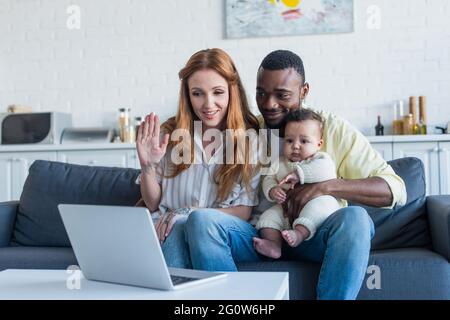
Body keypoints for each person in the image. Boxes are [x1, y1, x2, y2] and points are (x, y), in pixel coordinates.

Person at [187, 49, 407, 300]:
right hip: (261, 235)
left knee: (356, 218)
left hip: (315, 234)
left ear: (304, 92)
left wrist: (326, 187)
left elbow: (395, 189)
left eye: (282, 95)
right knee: (203, 222)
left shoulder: (331, 128)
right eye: (261, 93)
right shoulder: (249, 130)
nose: (269, 104)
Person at [135, 48, 262, 270]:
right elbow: (153, 202)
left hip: (227, 232)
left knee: (194, 223)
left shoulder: (250, 139)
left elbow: (243, 211)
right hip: (169, 231)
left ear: (232, 91)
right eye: (197, 93)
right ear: (187, 95)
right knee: (177, 232)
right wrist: (148, 167)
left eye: (218, 92)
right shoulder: (170, 134)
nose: (208, 104)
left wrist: (188, 213)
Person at [254, 108, 342, 259]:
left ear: (318, 144)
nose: (295, 146)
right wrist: (272, 190)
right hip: (286, 208)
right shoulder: (280, 162)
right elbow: (269, 178)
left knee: (320, 207)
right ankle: (274, 244)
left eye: (304, 141)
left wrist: (299, 174)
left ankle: (299, 234)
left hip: (316, 203)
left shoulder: (320, 159)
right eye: (289, 140)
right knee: (268, 217)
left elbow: (326, 172)